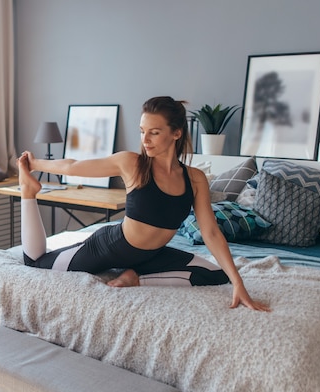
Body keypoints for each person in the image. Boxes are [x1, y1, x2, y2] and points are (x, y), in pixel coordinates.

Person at [18, 96, 270, 312]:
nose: (145, 139)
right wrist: (35, 164)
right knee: (36, 262)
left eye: (154, 132)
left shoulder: (195, 179)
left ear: (176, 133)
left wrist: (238, 282)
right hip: (110, 248)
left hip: (153, 255)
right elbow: (72, 166)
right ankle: (28, 192)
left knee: (217, 275)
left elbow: (211, 232)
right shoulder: (132, 164)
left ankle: (135, 276)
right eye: (142, 131)